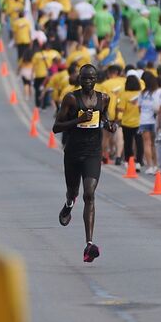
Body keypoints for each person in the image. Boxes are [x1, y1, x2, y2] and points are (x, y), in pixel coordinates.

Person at [52, 64, 117, 263]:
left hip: (92, 153)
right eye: (84, 79)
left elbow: (104, 116)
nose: (88, 82)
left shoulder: (103, 98)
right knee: (73, 191)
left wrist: (108, 124)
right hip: (73, 152)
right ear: (79, 79)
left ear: (96, 79)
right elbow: (56, 127)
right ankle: (69, 203)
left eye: (91, 79)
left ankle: (89, 244)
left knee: (89, 194)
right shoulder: (71, 99)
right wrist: (77, 120)